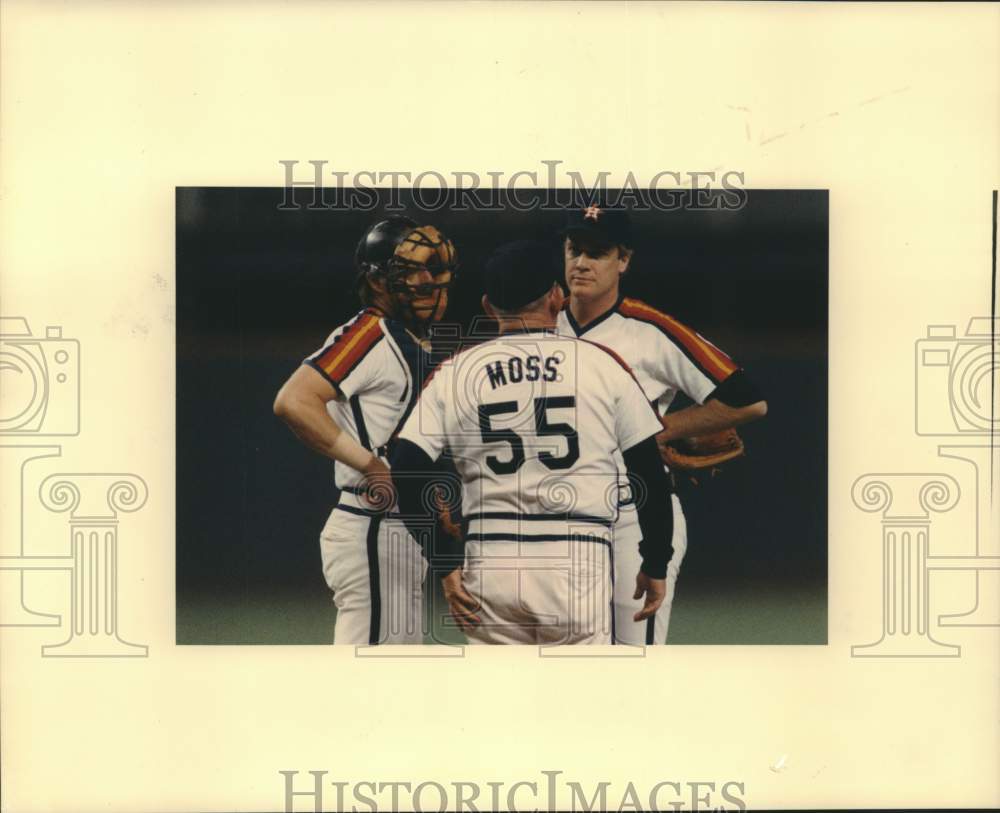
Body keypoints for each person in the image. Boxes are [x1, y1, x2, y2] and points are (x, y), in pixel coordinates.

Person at [389, 240, 675, 645]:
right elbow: (649, 471)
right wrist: (656, 561)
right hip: (578, 556)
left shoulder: (457, 372)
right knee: (577, 703)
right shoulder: (601, 364)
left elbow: (405, 465)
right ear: (557, 298)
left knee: (500, 704)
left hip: (491, 560)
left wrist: (445, 562)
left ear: (488, 307)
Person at [556, 204, 768, 645]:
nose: (582, 263)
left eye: (597, 253)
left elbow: (748, 401)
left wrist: (659, 427)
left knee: (635, 659)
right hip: (557, 516)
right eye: (575, 249)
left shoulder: (650, 330)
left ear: (624, 261)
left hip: (635, 512)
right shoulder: (540, 323)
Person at [273, 216, 457, 644]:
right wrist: (369, 464)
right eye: (413, 270)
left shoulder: (411, 338)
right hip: (373, 524)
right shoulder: (370, 332)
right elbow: (293, 400)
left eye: (433, 268)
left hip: (400, 526)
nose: (427, 280)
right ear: (378, 281)